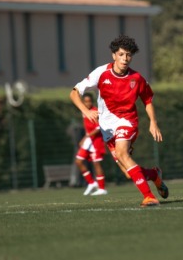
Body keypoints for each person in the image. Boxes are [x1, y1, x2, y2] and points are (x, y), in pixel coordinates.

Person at [70, 34, 168, 207]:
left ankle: (149, 196)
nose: (125, 59)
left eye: (128, 55)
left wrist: (153, 122)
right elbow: (74, 92)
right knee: (129, 173)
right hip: (107, 129)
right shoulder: (101, 73)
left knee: (123, 153)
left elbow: (147, 100)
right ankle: (153, 175)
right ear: (114, 55)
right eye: (121, 54)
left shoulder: (137, 79)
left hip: (127, 121)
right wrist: (86, 111)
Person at [75, 92, 108, 196]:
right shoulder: (84, 111)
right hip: (89, 139)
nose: (88, 103)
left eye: (89, 101)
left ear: (92, 102)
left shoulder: (95, 112)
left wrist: (85, 137)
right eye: (86, 101)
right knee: (78, 161)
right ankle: (92, 183)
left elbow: (98, 128)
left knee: (96, 164)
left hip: (96, 140)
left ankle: (102, 188)